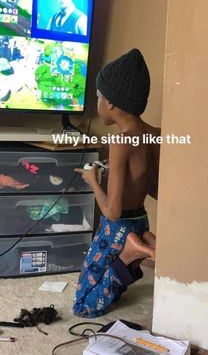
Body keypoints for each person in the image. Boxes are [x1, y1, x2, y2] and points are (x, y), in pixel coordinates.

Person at [73, 48, 160, 318]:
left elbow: (112, 211)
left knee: (83, 305)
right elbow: (152, 187)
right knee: (109, 282)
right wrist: (118, 175)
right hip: (140, 220)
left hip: (116, 227)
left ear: (110, 103)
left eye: (98, 97)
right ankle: (138, 243)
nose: (98, 103)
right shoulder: (155, 135)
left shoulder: (120, 141)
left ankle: (129, 253)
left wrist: (93, 181)